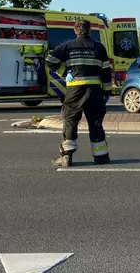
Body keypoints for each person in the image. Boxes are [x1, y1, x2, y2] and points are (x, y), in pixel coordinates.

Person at [45, 20, 112, 167]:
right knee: (95, 123)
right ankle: (101, 157)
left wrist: (64, 72)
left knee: (70, 121)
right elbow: (106, 72)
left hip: (75, 90)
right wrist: (107, 92)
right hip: (94, 91)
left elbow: (49, 60)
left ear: (75, 31)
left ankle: (66, 157)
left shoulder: (68, 46)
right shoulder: (99, 48)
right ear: (90, 31)